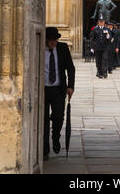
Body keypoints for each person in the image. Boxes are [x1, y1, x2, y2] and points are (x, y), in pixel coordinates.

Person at [44, 26, 75, 161]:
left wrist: (70, 86)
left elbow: (70, 68)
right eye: (51, 40)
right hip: (43, 90)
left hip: (58, 89)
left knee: (58, 118)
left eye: (55, 40)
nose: (53, 43)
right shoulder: (38, 48)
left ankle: (55, 138)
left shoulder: (62, 48)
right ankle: (44, 149)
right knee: (43, 121)